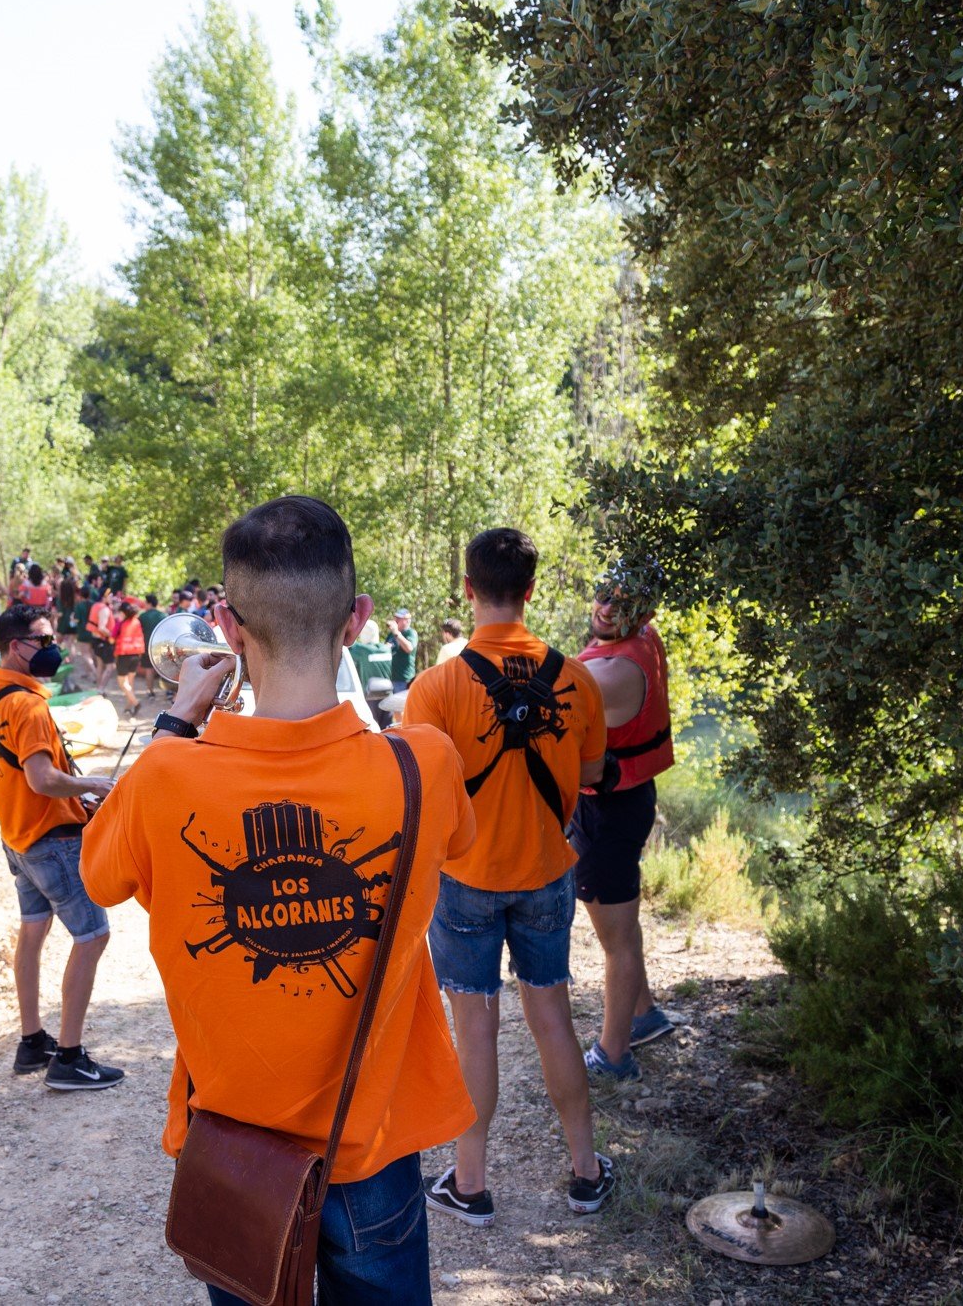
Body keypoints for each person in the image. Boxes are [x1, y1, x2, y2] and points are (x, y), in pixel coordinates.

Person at [84, 495, 476, 1304]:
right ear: (359, 619)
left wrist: (178, 718)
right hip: (371, 1149)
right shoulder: (424, 764)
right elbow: (460, 843)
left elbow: (98, 876)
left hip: (236, 1152)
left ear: (225, 625)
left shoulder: (166, 776)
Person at [402, 527, 617, 1226]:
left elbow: (422, 790)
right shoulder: (576, 679)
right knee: (552, 1017)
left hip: (464, 875)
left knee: (477, 1025)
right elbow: (589, 776)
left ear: (468, 589)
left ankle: (471, 1183)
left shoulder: (434, 688)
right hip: (547, 871)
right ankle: (585, 1171)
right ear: (530, 590)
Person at [0, 603, 126, 1091]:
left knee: (33, 930)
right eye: (44, 638)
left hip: (15, 838)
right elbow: (43, 780)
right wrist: (94, 784)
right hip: (51, 841)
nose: (52, 647)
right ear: (17, 647)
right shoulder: (29, 705)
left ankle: (32, 1040)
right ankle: (70, 1058)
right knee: (92, 936)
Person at [572, 558, 677, 1081]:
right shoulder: (641, 640)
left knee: (614, 938)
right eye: (604, 595)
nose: (607, 608)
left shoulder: (612, 672)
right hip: (623, 802)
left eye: (623, 603)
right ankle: (644, 1015)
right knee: (624, 922)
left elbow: (552, 691)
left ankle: (613, 1056)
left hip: (609, 813)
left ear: (646, 611)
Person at [112, 601, 146, 716]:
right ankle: (128, 706)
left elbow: (112, 639)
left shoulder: (120, 624)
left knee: (122, 684)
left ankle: (136, 703)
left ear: (122, 612)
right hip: (136, 655)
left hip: (123, 655)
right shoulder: (137, 622)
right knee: (130, 683)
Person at [386, 607, 419, 692]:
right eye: (395, 618)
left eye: (399, 619)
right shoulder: (391, 634)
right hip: (390, 678)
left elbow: (409, 648)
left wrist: (397, 633)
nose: (396, 620)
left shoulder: (411, 633)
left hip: (404, 680)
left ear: (407, 621)